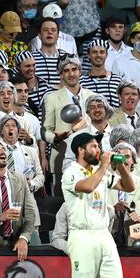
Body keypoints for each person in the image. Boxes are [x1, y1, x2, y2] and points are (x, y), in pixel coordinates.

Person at [61, 132, 136, 278]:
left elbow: (129, 187)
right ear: (80, 150)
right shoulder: (71, 172)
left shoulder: (99, 170)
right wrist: (104, 165)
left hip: (104, 234)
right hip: (82, 235)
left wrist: (120, 166)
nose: (98, 150)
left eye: (98, 146)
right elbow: (87, 187)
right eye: (93, 146)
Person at [42, 54, 95, 194]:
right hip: (62, 156)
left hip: (91, 158)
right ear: (61, 74)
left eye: (74, 69)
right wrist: (55, 138)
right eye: (66, 71)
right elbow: (44, 130)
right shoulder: (51, 98)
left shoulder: (92, 97)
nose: (71, 74)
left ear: (80, 71)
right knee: (61, 204)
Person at [107, 142, 140, 245]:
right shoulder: (104, 182)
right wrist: (113, 210)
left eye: (127, 157)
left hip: (137, 238)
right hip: (109, 237)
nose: (123, 160)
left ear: (133, 160)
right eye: (119, 157)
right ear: (113, 161)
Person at [79, 39, 122, 109]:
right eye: (94, 52)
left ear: (106, 54)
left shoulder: (117, 80)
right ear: (89, 55)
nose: (98, 55)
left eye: (102, 52)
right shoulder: (81, 81)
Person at [31, 18, 65, 87]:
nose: (49, 32)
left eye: (53, 30)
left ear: (58, 35)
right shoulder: (31, 58)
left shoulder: (67, 57)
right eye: (45, 30)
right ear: (39, 35)